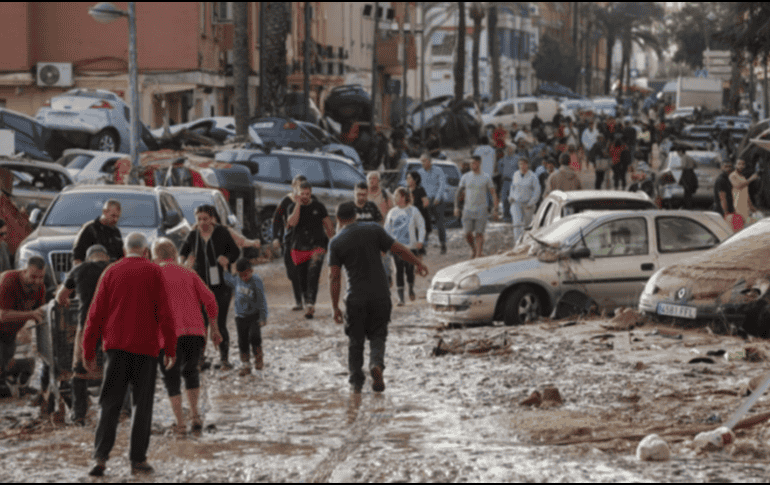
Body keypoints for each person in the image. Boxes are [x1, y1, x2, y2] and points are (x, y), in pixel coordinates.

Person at [82, 233, 176, 477]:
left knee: (109, 403)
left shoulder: (111, 272)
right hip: (146, 349)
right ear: (146, 252)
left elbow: (95, 314)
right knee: (141, 405)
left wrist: (87, 350)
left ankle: (100, 457)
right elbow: (165, 313)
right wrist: (171, 348)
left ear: (124, 251)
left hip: (115, 348)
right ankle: (138, 460)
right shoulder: (154, 272)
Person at [328, 202, 428, 393]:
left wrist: (335, 307)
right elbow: (398, 249)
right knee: (378, 335)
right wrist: (418, 263)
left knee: (355, 341)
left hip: (355, 298)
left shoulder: (336, 242)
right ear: (356, 215)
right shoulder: (374, 229)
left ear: (338, 219)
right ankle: (376, 364)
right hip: (380, 295)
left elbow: (334, 276)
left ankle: (356, 384)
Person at [151, 238, 221, 435]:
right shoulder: (189, 273)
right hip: (194, 333)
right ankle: (195, 416)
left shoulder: (154, 275)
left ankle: (180, 424)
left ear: (155, 257)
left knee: (170, 377)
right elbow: (210, 300)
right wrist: (214, 328)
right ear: (174, 254)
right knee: (191, 372)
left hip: (167, 336)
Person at [55, 245, 112, 424]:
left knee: (79, 370)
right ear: (106, 257)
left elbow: (60, 297)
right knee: (116, 368)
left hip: (86, 324)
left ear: (88, 258)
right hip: (112, 326)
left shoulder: (79, 269)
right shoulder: (114, 268)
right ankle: (121, 412)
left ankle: (79, 415)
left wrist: (66, 301)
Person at [179, 204, 239, 369]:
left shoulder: (222, 233)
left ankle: (224, 359)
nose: (202, 222)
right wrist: (183, 263)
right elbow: (182, 252)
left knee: (220, 322)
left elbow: (235, 252)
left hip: (221, 286)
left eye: (205, 219)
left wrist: (227, 259)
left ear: (212, 218)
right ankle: (200, 358)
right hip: (199, 285)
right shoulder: (193, 235)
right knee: (201, 323)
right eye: (199, 219)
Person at [286, 181, 334, 319]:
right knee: (302, 278)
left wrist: (333, 242)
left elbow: (328, 225)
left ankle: (310, 304)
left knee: (313, 274)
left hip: (317, 246)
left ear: (311, 193)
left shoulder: (319, 207)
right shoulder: (292, 207)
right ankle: (307, 301)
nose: (305, 196)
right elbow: (292, 222)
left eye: (307, 194)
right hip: (299, 247)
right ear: (298, 194)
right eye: (302, 194)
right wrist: (298, 205)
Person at [0, 257, 45, 396]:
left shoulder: (40, 287)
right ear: (24, 271)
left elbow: (41, 314)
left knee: (9, 358)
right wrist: (30, 315)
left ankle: (11, 382)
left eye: (41, 277)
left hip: (10, 332)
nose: (37, 281)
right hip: (3, 324)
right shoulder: (9, 280)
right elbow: (3, 315)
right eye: (33, 277)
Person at [222, 258, 268, 376]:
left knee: (254, 337)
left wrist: (263, 317)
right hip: (240, 317)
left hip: (254, 316)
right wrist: (225, 269)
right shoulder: (237, 279)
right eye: (241, 275)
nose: (244, 278)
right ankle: (245, 364)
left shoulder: (256, 281)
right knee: (242, 341)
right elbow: (228, 280)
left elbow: (261, 300)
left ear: (251, 271)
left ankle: (258, 358)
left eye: (246, 275)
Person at [384, 187, 426, 305]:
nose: (395, 198)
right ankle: (401, 297)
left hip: (410, 247)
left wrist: (420, 240)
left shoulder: (413, 210)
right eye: (395, 196)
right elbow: (387, 229)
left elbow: (421, 225)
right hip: (396, 247)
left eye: (397, 196)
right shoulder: (392, 212)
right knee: (398, 271)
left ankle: (411, 288)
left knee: (409, 270)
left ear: (403, 197)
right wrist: (386, 244)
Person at [272, 175, 308, 311]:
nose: (300, 188)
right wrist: (276, 237)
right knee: (292, 273)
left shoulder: (310, 201)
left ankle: (302, 301)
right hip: (289, 241)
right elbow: (276, 219)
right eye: (297, 185)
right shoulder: (286, 201)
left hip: (305, 242)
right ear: (293, 187)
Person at [455, 155, 498, 259]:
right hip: (467, 209)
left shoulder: (486, 177)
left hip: (482, 209)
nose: (471, 165)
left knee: (479, 233)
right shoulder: (465, 177)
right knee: (467, 233)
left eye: (474, 163)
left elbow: (493, 193)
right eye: (470, 163)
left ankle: (478, 254)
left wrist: (495, 208)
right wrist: (456, 207)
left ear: (479, 163)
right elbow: (458, 192)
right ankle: (474, 249)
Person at [73, 199, 123, 265]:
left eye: (118, 217)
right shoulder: (90, 229)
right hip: (92, 268)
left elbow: (120, 256)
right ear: (105, 212)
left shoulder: (116, 232)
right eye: (113, 216)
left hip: (111, 269)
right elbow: (77, 257)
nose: (115, 219)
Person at [417, 153, 448, 254]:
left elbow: (442, 184)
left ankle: (443, 244)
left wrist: (438, 197)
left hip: (437, 200)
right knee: (424, 222)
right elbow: (419, 187)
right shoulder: (420, 172)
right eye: (421, 161)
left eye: (424, 161)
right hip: (426, 199)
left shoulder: (438, 170)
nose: (423, 163)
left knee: (440, 223)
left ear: (429, 161)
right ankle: (423, 245)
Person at [509, 157, 541, 243]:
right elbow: (512, 187)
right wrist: (511, 196)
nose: (522, 166)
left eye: (524, 164)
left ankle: (527, 242)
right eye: (520, 164)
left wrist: (531, 203)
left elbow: (537, 191)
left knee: (527, 225)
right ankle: (517, 242)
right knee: (517, 223)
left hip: (528, 203)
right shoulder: (516, 174)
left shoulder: (533, 176)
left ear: (527, 165)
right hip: (516, 202)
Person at [730, 159, 759, 228]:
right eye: (739, 164)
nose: (741, 166)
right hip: (737, 206)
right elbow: (738, 186)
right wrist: (751, 179)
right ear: (735, 165)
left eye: (743, 164)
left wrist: (751, 206)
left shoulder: (742, 177)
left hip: (745, 207)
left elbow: (746, 193)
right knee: (739, 228)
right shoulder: (732, 175)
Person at [405, 171, 431, 239]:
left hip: (421, 219)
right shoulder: (406, 190)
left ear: (415, 180)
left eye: (409, 178)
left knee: (421, 241)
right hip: (410, 221)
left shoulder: (420, 189)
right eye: (407, 178)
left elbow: (426, 203)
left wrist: (416, 210)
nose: (407, 180)